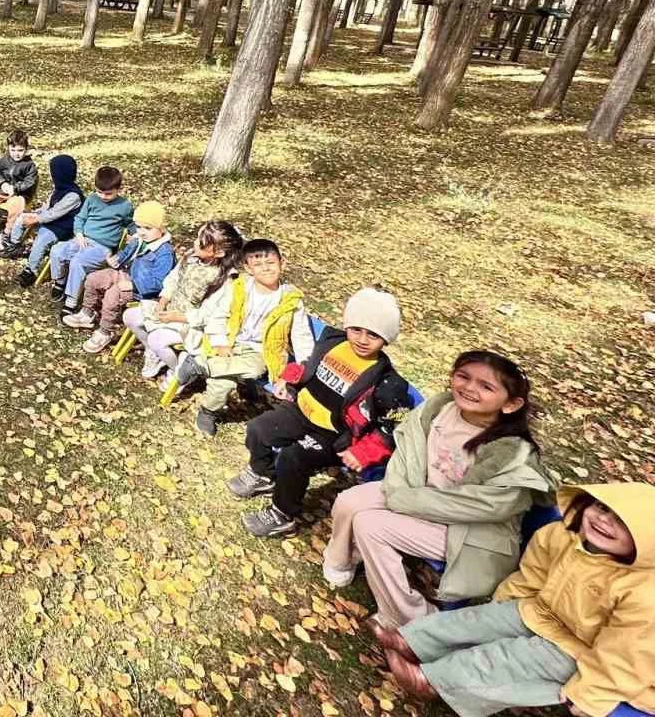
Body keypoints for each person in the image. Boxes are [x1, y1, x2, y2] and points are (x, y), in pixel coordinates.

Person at [374, 482, 655, 717]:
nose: (605, 520)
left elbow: (626, 657)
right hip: (544, 613)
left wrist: (590, 697)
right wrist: (503, 606)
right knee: (475, 621)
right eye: (602, 508)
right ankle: (413, 642)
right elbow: (530, 576)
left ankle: (434, 682)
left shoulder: (644, 592)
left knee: (510, 659)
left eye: (623, 522)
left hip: (585, 652)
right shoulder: (561, 536)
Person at [323, 351, 552, 629]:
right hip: (415, 494)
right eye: (463, 376)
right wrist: (400, 492)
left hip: (467, 532)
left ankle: (408, 617)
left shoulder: (513, 453)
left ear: (511, 404)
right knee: (350, 500)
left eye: (486, 386)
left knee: (370, 525)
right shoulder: (439, 409)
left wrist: (404, 501)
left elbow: (480, 507)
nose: (469, 388)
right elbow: (406, 453)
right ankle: (342, 561)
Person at [229, 287, 411, 537]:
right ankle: (264, 475)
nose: (362, 339)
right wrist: (291, 378)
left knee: (293, 458)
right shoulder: (332, 343)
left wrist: (365, 451)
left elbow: (396, 423)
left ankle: (283, 515)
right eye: (356, 329)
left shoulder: (386, 381)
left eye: (374, 334)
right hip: (301, 410)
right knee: (258, 429)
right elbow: (311, 367)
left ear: (386, 339)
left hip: (334, 434)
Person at [173, 237, 314, 436]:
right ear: (248, 268)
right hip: (229, 341)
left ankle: (199, 365)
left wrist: (297, 369)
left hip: (259, 351)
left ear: (282, 263)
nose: (266, 269)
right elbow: (218, 316)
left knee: (256, 368)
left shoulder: (291, 300)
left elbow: (302, 337)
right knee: (226, 381)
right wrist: (220, 343)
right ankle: (208, 412)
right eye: (258, 265)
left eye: (271, 263)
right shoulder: (238, 288)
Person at [120, 219, 243, 385]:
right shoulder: (191, 256)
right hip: (170, 308)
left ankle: (179, 371)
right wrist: (163, 300)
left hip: (190, 325)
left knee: (157, 338)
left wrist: (178, 317)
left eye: (202, 242)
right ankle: (152, 352)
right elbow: (173, 278)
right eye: (198, 237)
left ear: (219, 253)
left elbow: (209, 315)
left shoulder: (223, 280)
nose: (196, 243)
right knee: (130, 317)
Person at [65, 201, 175, 354]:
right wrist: (116, 260)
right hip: (125, 273)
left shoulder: (164, 252)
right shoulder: (139, 239)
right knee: (93, 279)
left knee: (113, 294)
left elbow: (159, 282)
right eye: (139, 227)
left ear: (161, 228)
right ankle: (87, 313)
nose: (142, 232)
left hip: (142, 290)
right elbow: (126, 254)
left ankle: (105, 331)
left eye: (148, 228)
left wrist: (134, 285)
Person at [46, 166, 133, 313]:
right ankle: (60, 281)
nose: (103, 197)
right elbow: (80, 218)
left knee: (77, 262)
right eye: (99, 192)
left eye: (108, 194)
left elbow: (131, 223)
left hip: (102, 247)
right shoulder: (92, 199)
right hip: (83, 239)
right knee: (57, 250)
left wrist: (134, 234)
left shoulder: (124, 206)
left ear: (119, 190)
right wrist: (79, 233)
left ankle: (71, 301)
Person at [8, 154, 84, 284]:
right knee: (22, 217)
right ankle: (14, 245)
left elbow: (54, 213)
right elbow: (48, 207)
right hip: (48, 219)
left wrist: (36, 219)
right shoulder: (58, 189)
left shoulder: (73, 196)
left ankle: (31, 270)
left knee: (42, 238)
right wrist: (35, 214)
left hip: (62, 227)